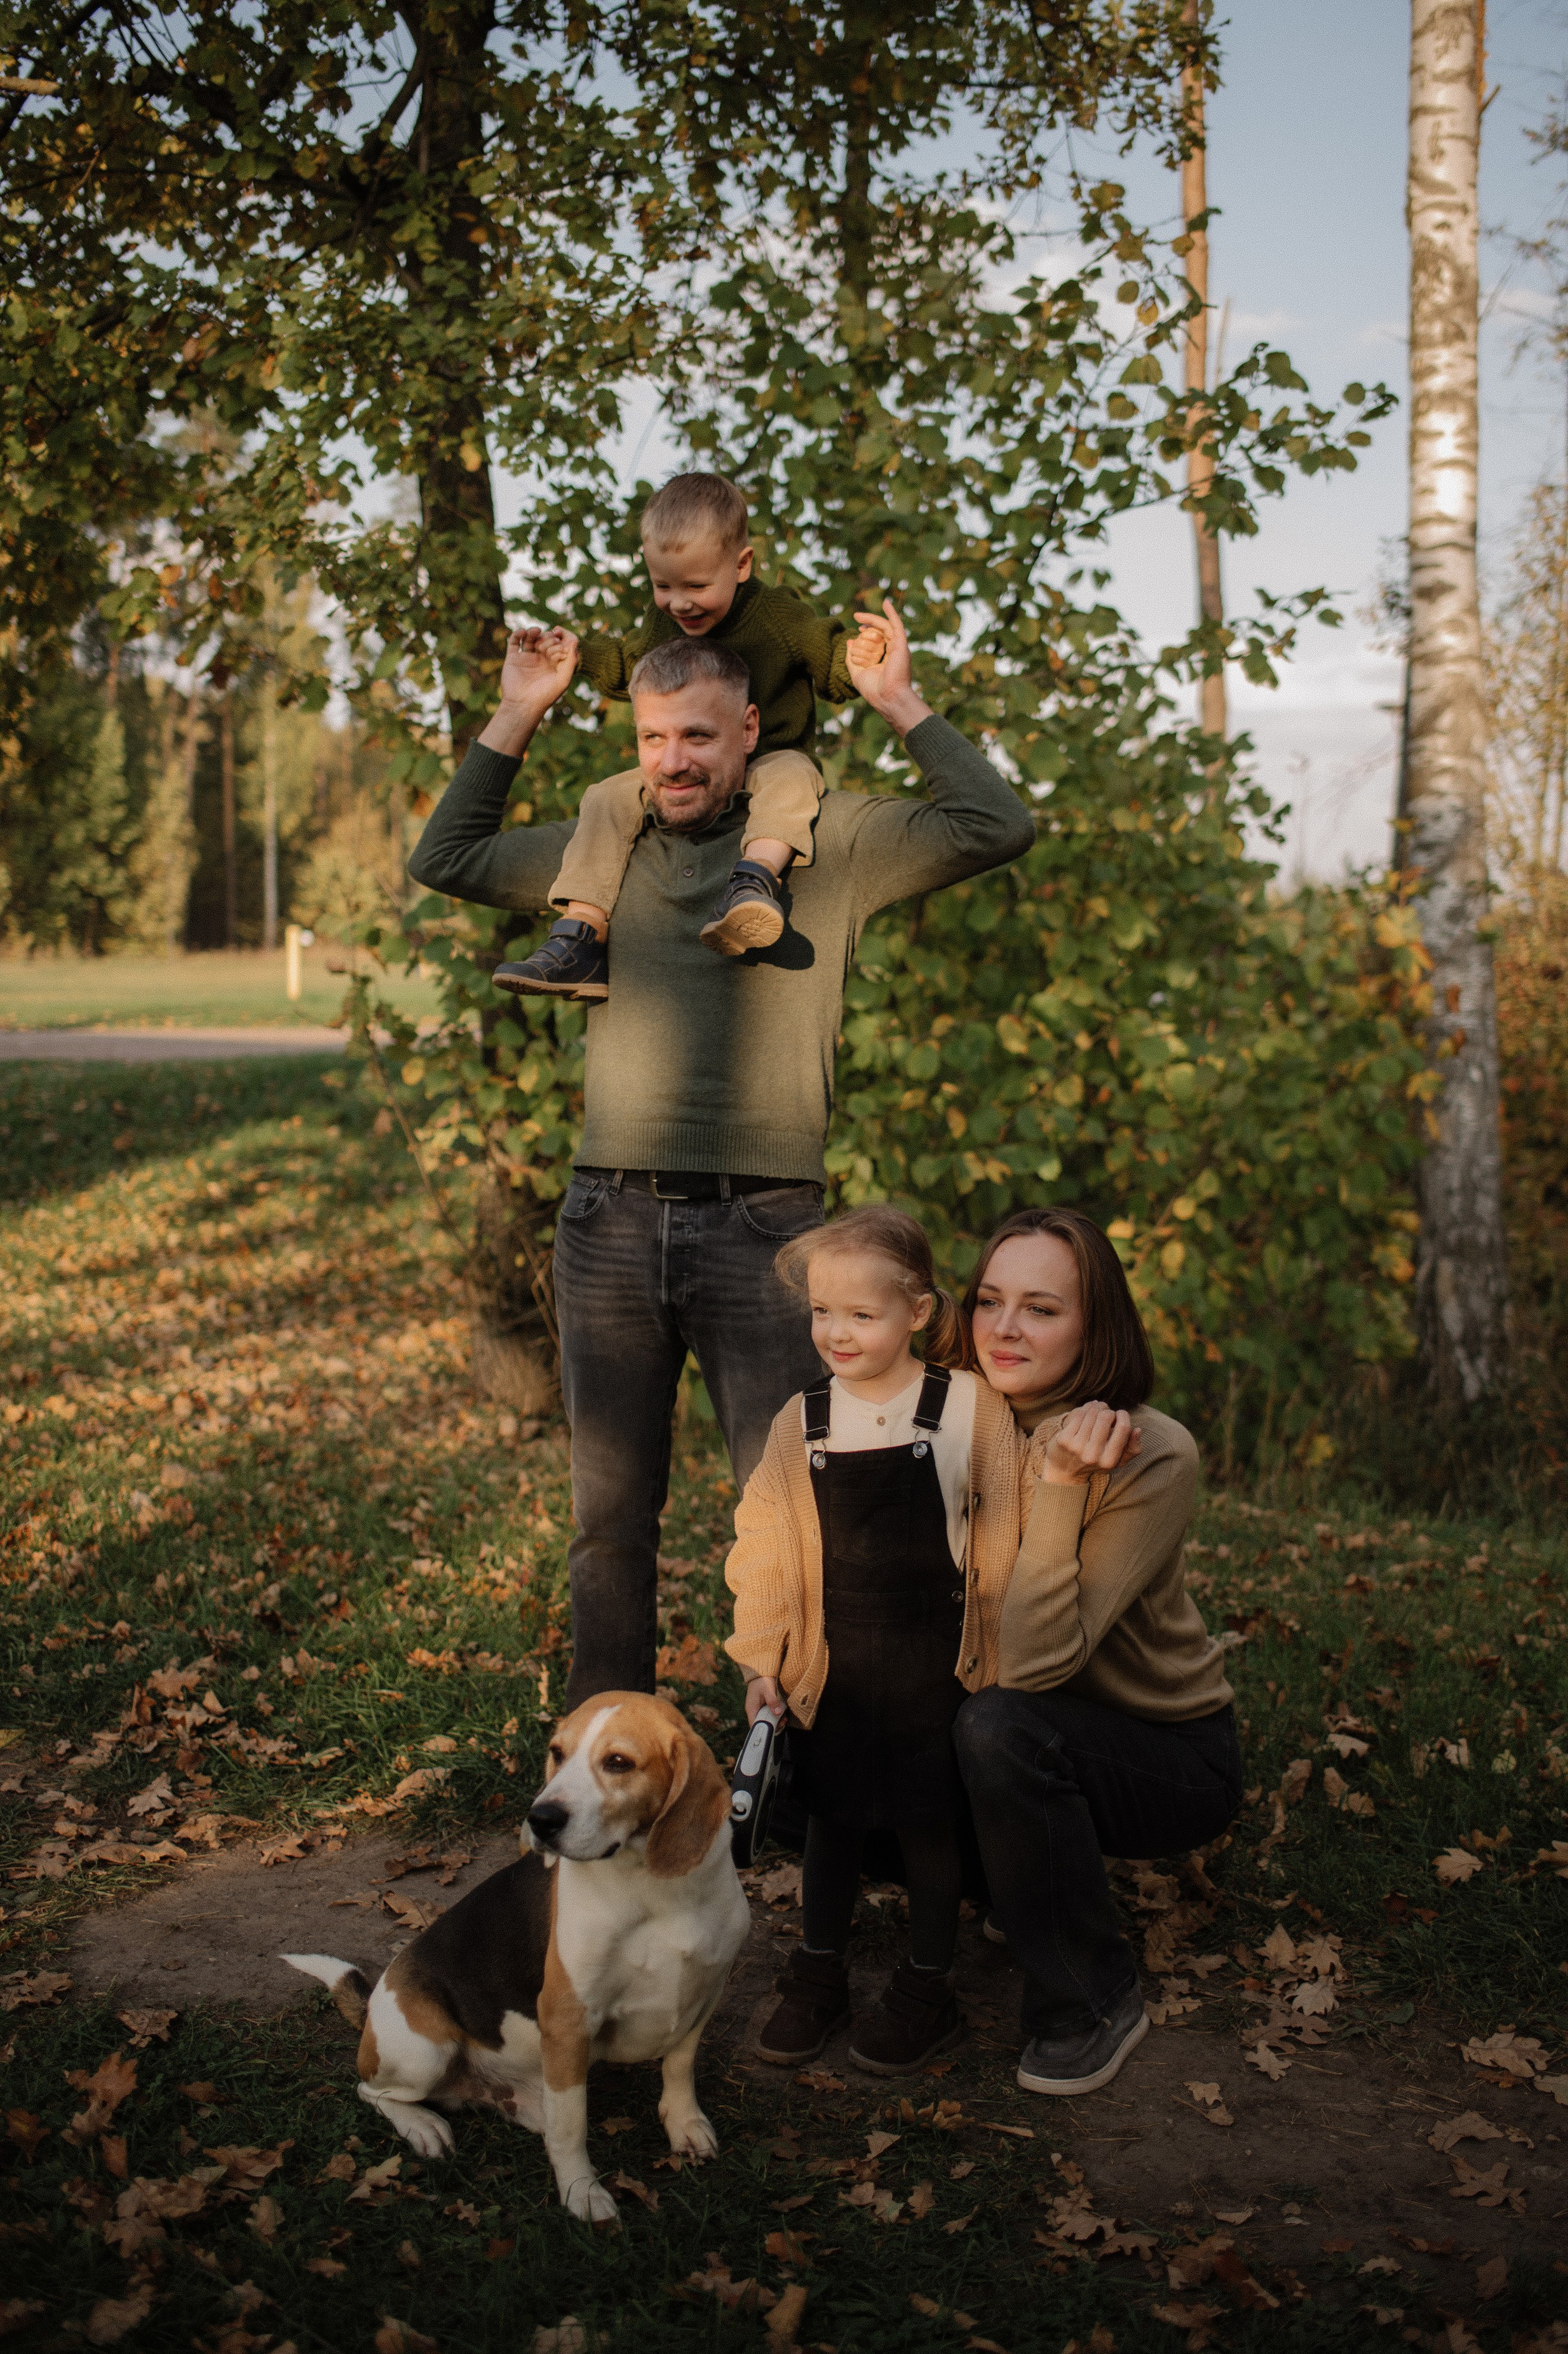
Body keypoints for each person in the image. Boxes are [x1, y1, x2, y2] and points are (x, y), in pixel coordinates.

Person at [407, 604, 1035, 1708]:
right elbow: (445, 856)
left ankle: (791, 1760)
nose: (674, 761)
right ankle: (604, 1767)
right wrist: (517, 711)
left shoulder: (828, 843)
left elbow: (994, 823)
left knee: (791, 1514)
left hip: (771, 1235)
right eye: (654, 738)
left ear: (750, 729)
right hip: (608, 1224)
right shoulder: (604, 843)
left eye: (698, 736)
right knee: (609, 1526)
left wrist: (898, 700)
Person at [724, 1208, 1026, 2076]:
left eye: (863, 1314)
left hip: (939, 1667)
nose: (837, 1333)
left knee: (933, 1829)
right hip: (836, 1666)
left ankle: (929, 1986)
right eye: (823, 1312)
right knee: (833, 1824)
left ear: (920, 1314)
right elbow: (769, 1544)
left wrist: (999, 1671)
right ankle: (818, 1974)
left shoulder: (967, 1406)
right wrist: (763, 1656)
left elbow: (1001, 1539)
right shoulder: (803, 1420)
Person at [952, 1206, 1241, 2099]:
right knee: (824, 1754)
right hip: (1018, 1720)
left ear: (1095, 1326)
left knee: (1001, 1727)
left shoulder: (1153, 1452)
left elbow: (1036, 1667)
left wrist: (1062, 1487)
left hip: (1161, 1752)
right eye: (990, 1301)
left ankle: (1091, 1993)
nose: (1005, 1328)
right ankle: (1020, 1882)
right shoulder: (956, 1425)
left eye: (1041, 1309)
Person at [490, 472, 869, 998]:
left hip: (772, 758)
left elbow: (829, 661)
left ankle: (752, 884)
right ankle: (581, 934)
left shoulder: (778, 616)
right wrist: (576, 656)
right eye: (663, 586)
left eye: (695, 587)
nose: (679, 604)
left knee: (792, 780)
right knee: (605, 798)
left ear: (742, 565)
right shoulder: (663, 621)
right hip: (691, 774)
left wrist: (862, 659)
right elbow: (629, 663)